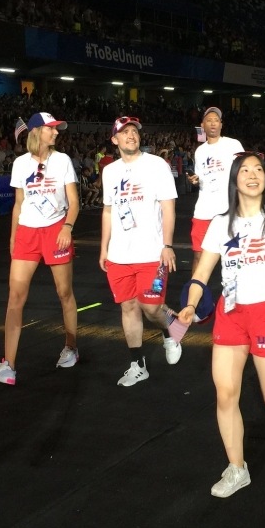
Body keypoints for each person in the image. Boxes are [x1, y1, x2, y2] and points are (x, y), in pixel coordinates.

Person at [178, 152, 265, 498]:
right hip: (231, 313)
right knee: (225, 393)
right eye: (245, 170)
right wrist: (190, 306)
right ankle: (237, 468)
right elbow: (201, 273)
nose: (253, 175)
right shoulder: (219, 223)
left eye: (259, 169)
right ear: (234, 179)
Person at [0, 113, 80, 385]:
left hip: (56, 230)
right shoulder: (19, 164)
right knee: (15, 297)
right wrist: (14, 237)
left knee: (64, 293)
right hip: (27, 233)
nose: (57, 133)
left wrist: (67, 227)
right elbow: (18, 203)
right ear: (38, 131)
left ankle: (71, 347)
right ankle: (9, 365)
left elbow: (74, 201)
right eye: (52, 129)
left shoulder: (62, 161)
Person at [100, 116, 186, 387]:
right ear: (115, 140)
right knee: (128, 306)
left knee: (150, 307)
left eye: (134, 131)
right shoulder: (109, 171)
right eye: (124, 133)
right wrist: (104, 248)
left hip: (152, 253)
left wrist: (168, 245)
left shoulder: (156, 165)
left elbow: (168, 207)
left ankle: (170, 329)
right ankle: (137, 364)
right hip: (119, 255)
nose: (131, 136)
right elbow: (108, 210)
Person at [187, 107, 244, 264]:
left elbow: (244, 170)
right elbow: (200, 179)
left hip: (229, 210)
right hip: (204, 211)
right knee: (199, 256)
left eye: (216, 120)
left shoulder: (233, 144)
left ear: (221, 124)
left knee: (234, 256)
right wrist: (195, 180)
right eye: (209, 120)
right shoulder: (200, 151)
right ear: (202, 125)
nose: (213, 124)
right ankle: (196, 288)